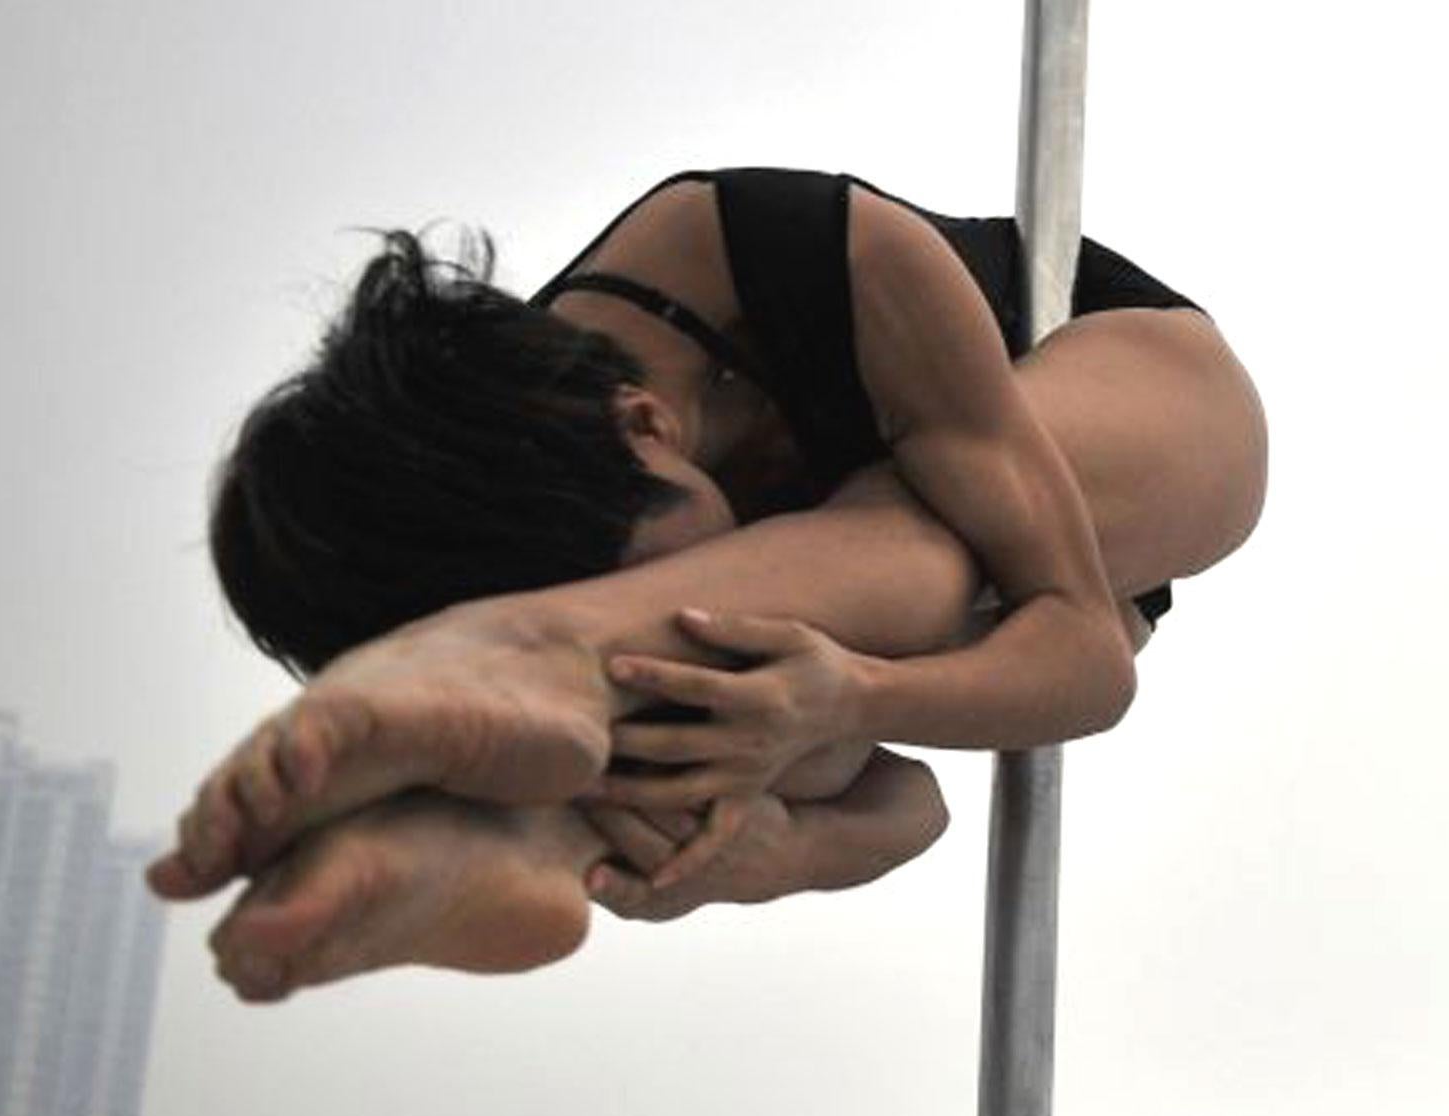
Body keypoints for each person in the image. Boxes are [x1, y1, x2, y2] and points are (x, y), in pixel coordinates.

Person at [151, 167, 1268, 999]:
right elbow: (904, 804)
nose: (710, 597)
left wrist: (863, 696)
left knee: (911, 548)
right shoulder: (508, 490)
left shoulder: (792, 247)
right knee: (746, 695)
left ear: (642, 423)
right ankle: (533, 844)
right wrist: (760, 834)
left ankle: (542, 666)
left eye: (639, 580)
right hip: (921, 638)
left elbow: (1085, 657)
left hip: (1131, 410)